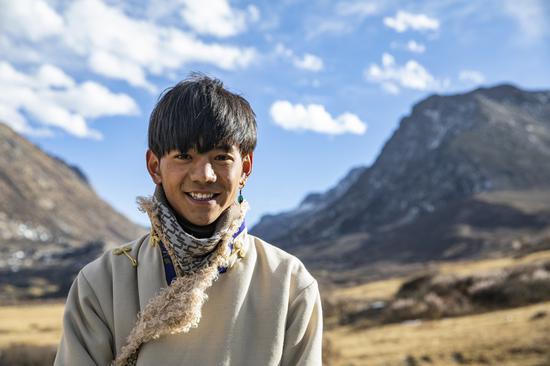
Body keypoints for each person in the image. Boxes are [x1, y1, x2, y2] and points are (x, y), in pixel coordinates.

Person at [54, 74, 323, 366]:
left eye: (221, 157)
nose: (203, 175)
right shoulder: (101, 283)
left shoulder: (289, 284)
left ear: (245, 168)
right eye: (184, 155)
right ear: (154, 167)